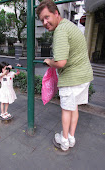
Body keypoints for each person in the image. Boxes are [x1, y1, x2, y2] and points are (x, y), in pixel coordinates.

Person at [36, 0, 93, 151]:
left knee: (67, 110)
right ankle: (71, 137)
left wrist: (49, 61)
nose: (45, 22)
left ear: (56, 13)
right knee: (74, 108)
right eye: (42, 20)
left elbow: (61, 62)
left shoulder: (61, 30)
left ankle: (65, 141)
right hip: (84, 76)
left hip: (72, 78)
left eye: (47, 17)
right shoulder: (69, 25)